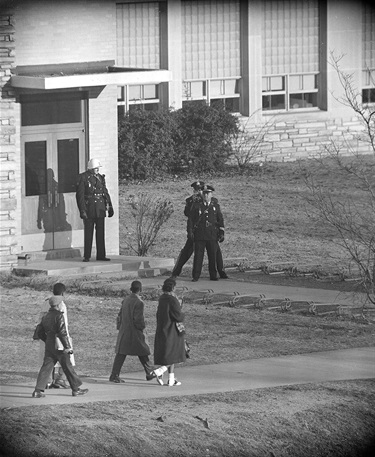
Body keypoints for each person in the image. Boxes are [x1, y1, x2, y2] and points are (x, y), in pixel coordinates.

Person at [32, 296, 88, 398]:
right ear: (58, 305)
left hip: (49, 345)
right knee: (68, 367)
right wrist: (68, 347)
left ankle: (37, 390)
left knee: (46, 367)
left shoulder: (46, 316)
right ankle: (76, 390)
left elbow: (39, 332)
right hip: (60, 346)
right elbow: (62, 333)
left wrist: (48, 340)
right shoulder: (59, 316)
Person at [171, 181, 228, 279]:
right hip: (197, 230)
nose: (199, 192)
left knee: (215, 252)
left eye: (200, 190)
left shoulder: (213, 201)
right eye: (197, 190)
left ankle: (221, 272)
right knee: (187, 251)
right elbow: (188, 215)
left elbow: (218, 216)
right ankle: (176, 271)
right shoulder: (191, 201)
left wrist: (220, 230)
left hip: (210, 232)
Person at [109, 280, 156, 383]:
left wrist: (120, 326)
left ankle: (114, 374)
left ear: (131, 289)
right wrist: (143, 327)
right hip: (135, 332)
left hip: (124, 330)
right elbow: (138, 319)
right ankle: (150, 372)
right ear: (140, 289)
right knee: (143, 351)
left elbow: (120, 314)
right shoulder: (139, 302)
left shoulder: (126, 299)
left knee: (121, 353)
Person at [76, 158, 114, 262]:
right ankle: (87, 255)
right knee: (89, 233)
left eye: (98, 168)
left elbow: (105, 193)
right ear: (91, 168)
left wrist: (110, 206)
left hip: (100, 208)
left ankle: (101, 255)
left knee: (100, 233)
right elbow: (80, 196)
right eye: (96, 168)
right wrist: (82, 210)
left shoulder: (100, 178)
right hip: (90, 208)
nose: (97, 170)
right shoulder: (83, 177)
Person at [37, 283, 74, 389]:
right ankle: (61, 379)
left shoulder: (46, 302)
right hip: (59, 337)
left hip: (46, 335)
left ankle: (47, 381)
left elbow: (40, 320)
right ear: (63, 292)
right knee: (66, 358)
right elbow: (63, 324)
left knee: (48, 359)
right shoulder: (61, 304)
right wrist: (66, 341)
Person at [151, 278, 186, 387]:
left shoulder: (162, 298)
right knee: (174, 353)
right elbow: (178, 316)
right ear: (173, 287)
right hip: (172, 330)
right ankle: (160, 371)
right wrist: (181, 309)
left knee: (168, 354)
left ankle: (171, 379)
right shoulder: (173, 299)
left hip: (163, 328)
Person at [189, 185, 225, 281]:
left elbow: (220, 220)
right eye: (204, 193)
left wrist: (221, 232)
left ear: (211, 194)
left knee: (212, 256)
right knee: (198, 257)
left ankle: (213, 275)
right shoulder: (197, 206)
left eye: (208, 193)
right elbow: (191, 220)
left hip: (212, 234)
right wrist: (190, 232)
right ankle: (196, 275)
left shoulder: (215, 206)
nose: (206, 195)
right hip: (200, 234)